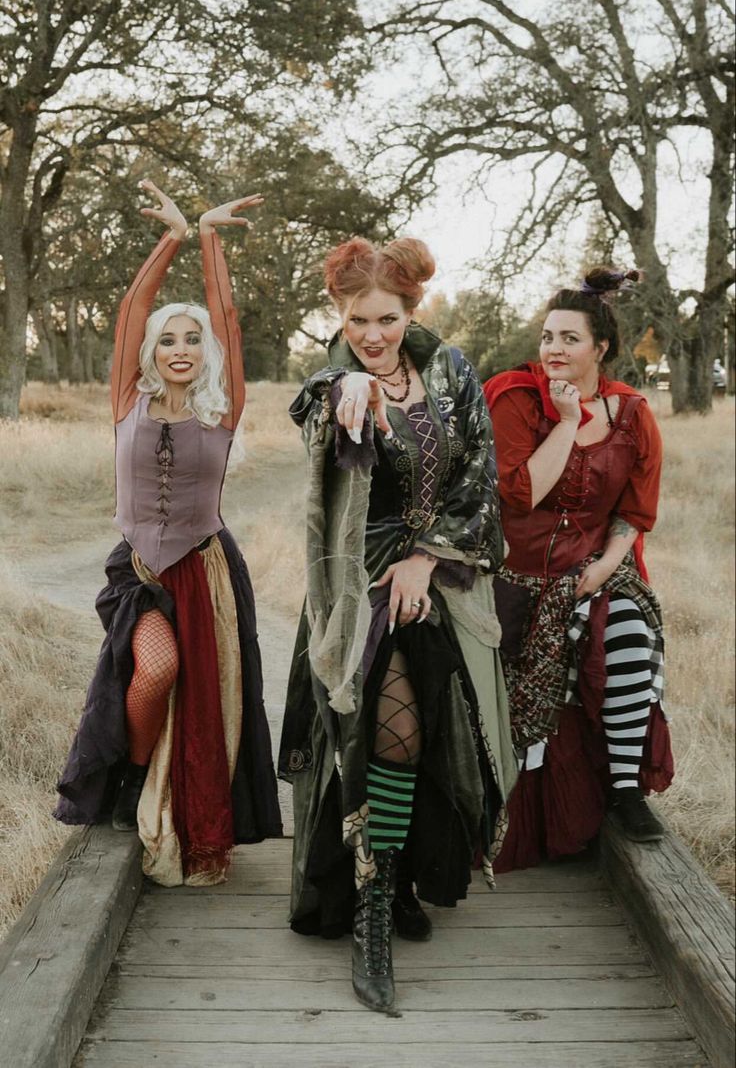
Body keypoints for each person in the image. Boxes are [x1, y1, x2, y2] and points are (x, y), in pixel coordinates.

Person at [279, 236, 517, 1012]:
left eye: (385, 319)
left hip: (436, 577)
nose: (372, 336)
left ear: (411, 311)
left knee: (435, 735)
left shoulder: (451, 370)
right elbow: (316, 415)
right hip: (361, 585)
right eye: (356, 322)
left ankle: (403, 878)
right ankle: (373, 912)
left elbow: (482, 474)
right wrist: (344, 388)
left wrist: (430, 557)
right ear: (339, 318)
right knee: (390, 731)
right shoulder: (333, 383)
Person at [54, 180, 282, 886]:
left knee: (210, 705)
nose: (180, 347)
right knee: (153, 670)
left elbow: (230, 321)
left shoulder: (222, 412)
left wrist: (212, 238)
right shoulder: (126, 400)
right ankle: (130, 774)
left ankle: (191, 810)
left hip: (205, 569)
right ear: (153, 351)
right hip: (141, 572)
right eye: (169, 339)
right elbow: (130, 309)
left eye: (193, 339)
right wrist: (175, 236)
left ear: (204, 353)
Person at [483, 267, 674, 872]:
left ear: (602, 348)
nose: (554, 349)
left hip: (593, 567)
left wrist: (604, 568)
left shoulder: (633, 415)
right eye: (547, 337)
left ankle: (624, 791)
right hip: (511, 580)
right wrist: (565, 422)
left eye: (569, 338)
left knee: (626, 632)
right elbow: (519, 496)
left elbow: (634, 513)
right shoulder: (514, 397)